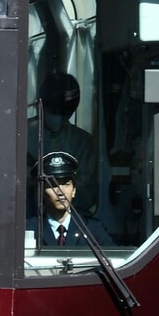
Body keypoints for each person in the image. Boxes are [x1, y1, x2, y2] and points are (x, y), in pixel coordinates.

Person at [28, 71, 101, 215]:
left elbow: (87, 195)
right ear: (42, 104)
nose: (59, 116)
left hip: (70, 219)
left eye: (66, 111)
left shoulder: (83, 143)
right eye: (53, 109)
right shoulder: (20, 136)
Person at [29, 151, 113, 247]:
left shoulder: (92, 229)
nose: (60, 192)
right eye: (53, 185)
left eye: (66, 184)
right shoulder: (31, 229)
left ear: (74, 190)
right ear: (41, 191)